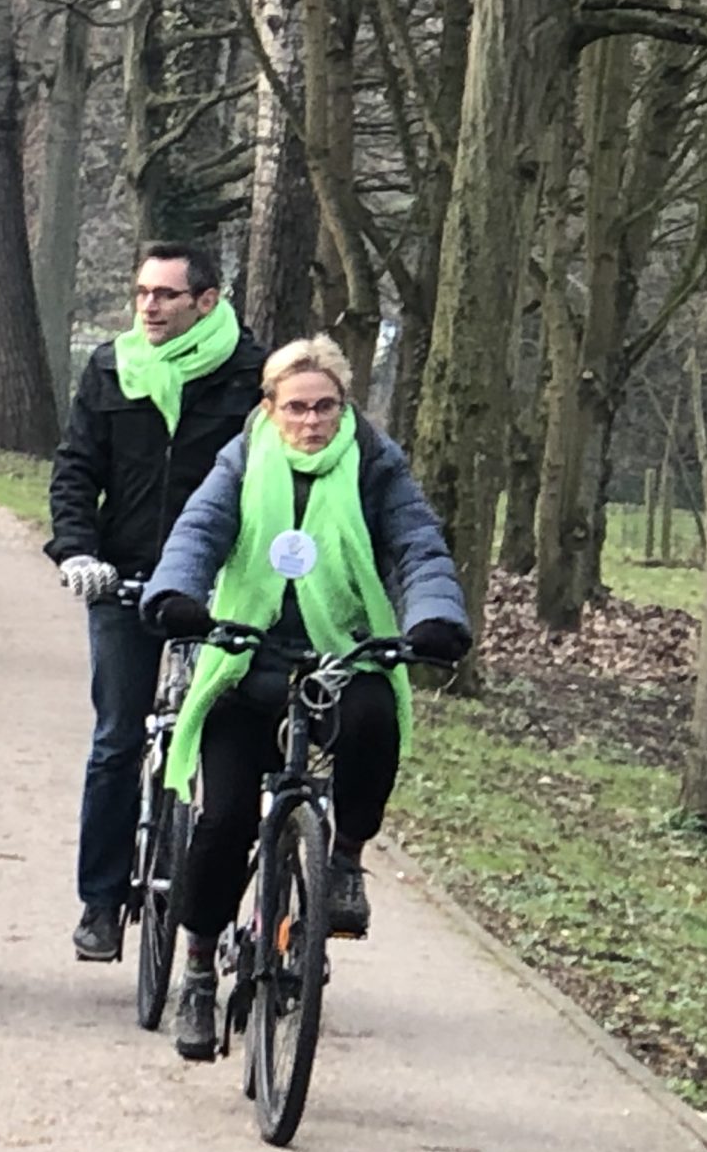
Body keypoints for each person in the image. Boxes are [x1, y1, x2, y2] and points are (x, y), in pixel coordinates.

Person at [141, 335, 471, 1060]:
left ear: (344, 406)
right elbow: (199, 534)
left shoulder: (376, 463)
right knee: (224, 819)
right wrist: (177, 595)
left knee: (373, 718)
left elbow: (417, 544)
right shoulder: (241, 460)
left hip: (339, 653)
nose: (312, 421)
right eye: (296, 407)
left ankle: (344, 858)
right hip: (245, 655)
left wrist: (434, 617)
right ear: (270, 407)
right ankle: (198, 970)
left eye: (325, 407)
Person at [47, 242, 266, 963]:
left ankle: (236, 913)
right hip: (126, 577)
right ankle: (102, 902)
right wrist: (78, 551)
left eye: (166, 295)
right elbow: (78, 467)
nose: (148, 306)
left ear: (207, 301)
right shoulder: (112, 366)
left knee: (236, 751)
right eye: (141, 292)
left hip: (220, 587)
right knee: (118, 739)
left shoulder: (254, 377)